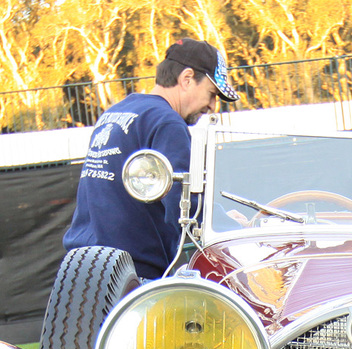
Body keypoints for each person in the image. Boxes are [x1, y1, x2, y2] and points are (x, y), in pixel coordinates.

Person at [62, 38, 238, 280]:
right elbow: (186, 206)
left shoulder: (115, 113)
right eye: (211, 94)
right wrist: (228, 223)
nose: (212, 106)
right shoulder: (166, 123)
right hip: (133, 276)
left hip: (82, 270)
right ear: (187, 79)